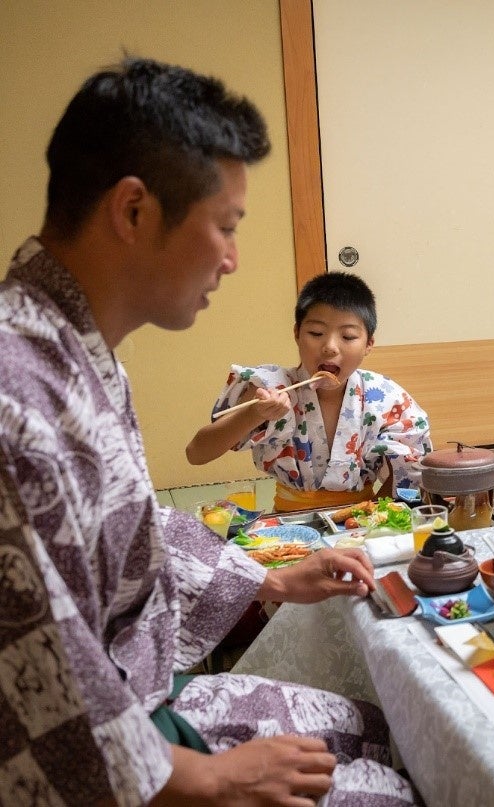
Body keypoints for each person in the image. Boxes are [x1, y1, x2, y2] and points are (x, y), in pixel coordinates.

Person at [0, 58, 414, 805]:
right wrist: (211, 778)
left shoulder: (73, 354)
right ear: (134, 210)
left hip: (135, 705)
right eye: (224, 226)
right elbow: (36, 674)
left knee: (384, 728)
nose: (232, 258)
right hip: (110, 756)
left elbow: (134, 526)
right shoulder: (16, 396)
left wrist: (271, 580)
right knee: (389, 789)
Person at [186, 271, 432, 512]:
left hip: (363, 520)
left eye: (348, 336)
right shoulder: (269, 387)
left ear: (368, 344)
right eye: (316, 333)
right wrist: (255, 414)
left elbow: (410, 471)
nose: (330, 347)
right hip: (290, 522)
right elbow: (196, 454)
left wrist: (370, 516)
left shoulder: (386, 398)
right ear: (297, 333)